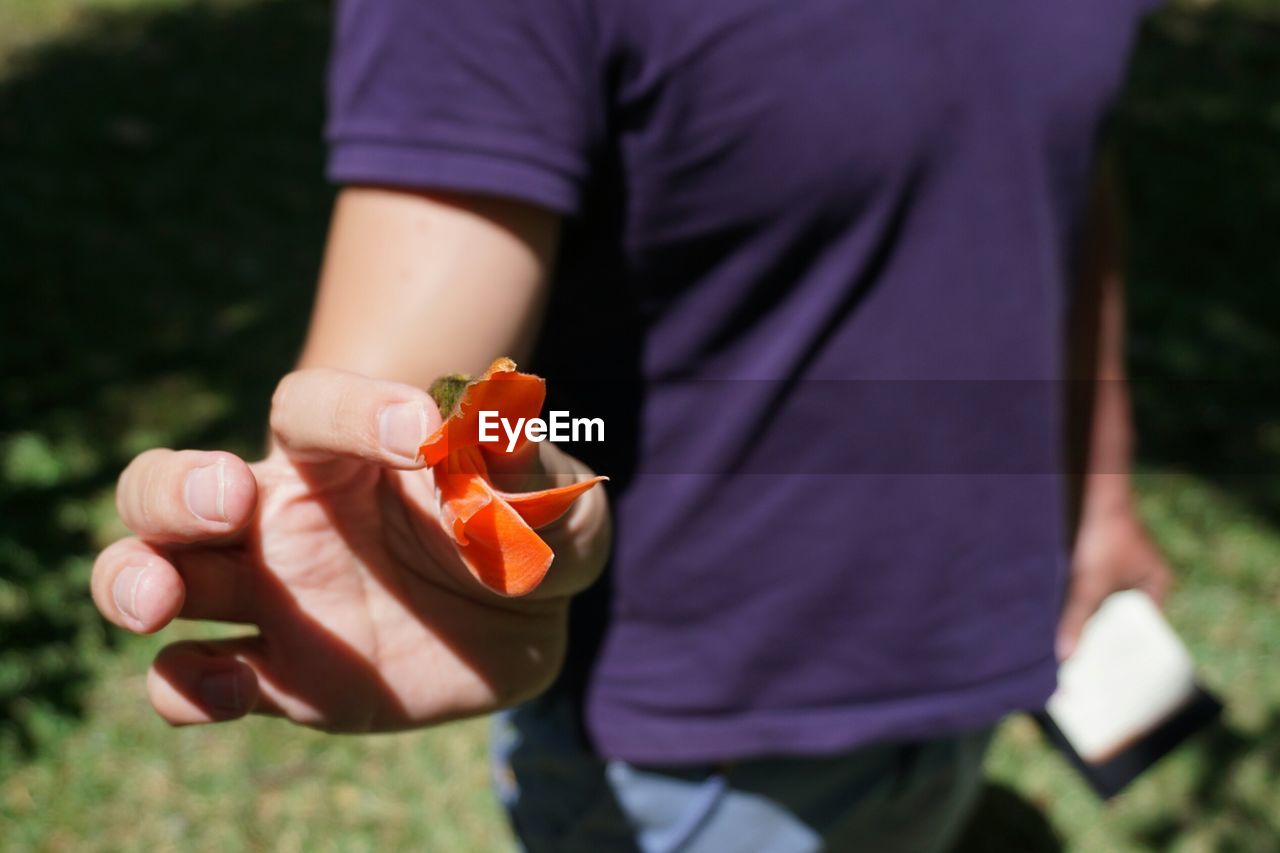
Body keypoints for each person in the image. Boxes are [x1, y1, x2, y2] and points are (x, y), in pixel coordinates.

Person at [90, 0, 1175, 849]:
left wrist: (1097, 489)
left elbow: (1064, 165)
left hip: (980, 639)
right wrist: (403, 518)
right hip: (703, 750)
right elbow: (413, 405)